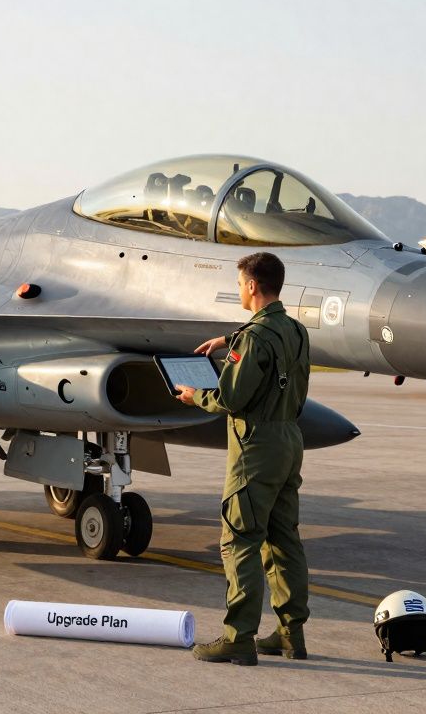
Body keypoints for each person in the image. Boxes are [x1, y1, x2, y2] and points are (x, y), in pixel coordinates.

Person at [174, 251, 312, 665]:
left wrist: (194, 394)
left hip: (256, 448)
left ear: (252, 285)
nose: (238, 290)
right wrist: (230, 340)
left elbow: (230, 398)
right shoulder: (296, 330)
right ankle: (291, 635)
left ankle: (238, 638)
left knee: (239, 540)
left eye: (239, 284)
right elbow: (269, 342)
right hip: (289, 439)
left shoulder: (253, 338)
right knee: (284, 541)